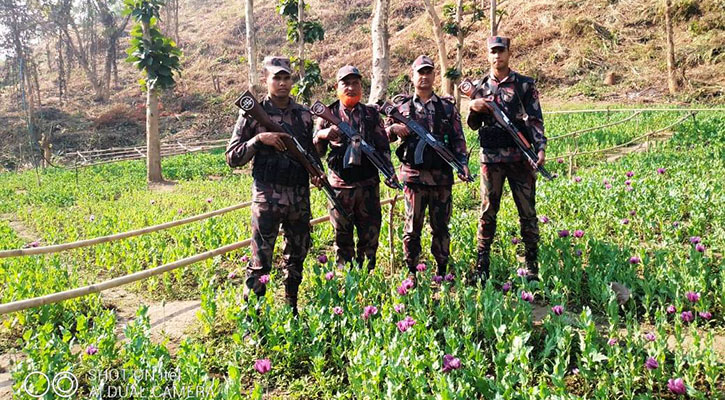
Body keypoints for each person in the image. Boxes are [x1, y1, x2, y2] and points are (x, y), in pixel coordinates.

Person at [225, 56, 320, 315]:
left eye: (286, 77)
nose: (282, 83)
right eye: (276, 78)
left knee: (296, 259)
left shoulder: (303, 115)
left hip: (298, 199)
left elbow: (309, 153)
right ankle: (252, 322)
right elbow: (232, 157)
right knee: (259, 263)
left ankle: (291, 311)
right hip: (267, 198)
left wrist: (316, 172)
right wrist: (259, 139)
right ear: (265, 80)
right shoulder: (252, 115)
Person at [466, 36, 547, 282]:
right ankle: (482, 264)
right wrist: (474, 106)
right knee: (488, 212)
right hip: (490, 160)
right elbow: (472, 125)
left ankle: (532, 264)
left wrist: (540, 148)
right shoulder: (479, 86)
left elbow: (535, 119)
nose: (497, 56)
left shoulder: (524, 85)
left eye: (501, 51)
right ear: (487, 55)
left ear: (509, 53)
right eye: (493, 52)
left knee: (527, 211)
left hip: (520, 159)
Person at [385, 55, 470, 280]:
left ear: (434, 75)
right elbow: (383, 138)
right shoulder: (401, 107)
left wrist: (463, 164)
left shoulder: (446, 107)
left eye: (428, 72)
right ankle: (411, 270)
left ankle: (442, 269)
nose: (424, 77)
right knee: (412, 228)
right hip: (413, 177)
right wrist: (394, 128)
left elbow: (458, 139)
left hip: (442, 177)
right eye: (419, 72)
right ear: (412, 76)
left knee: (441, 227)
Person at [314, 65, 399, 271]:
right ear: (337, 86)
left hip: (368, 186)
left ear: (361, 86)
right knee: (342, 237)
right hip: (340, 188)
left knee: (370, 236)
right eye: (346, 83)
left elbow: (382, 147)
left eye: (355, 83)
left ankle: (368, 277)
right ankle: (347, 279)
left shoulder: (371, 114)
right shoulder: (327, 114)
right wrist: (323, 135)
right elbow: (315, 152)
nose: (350, 88)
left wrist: (389, 171)